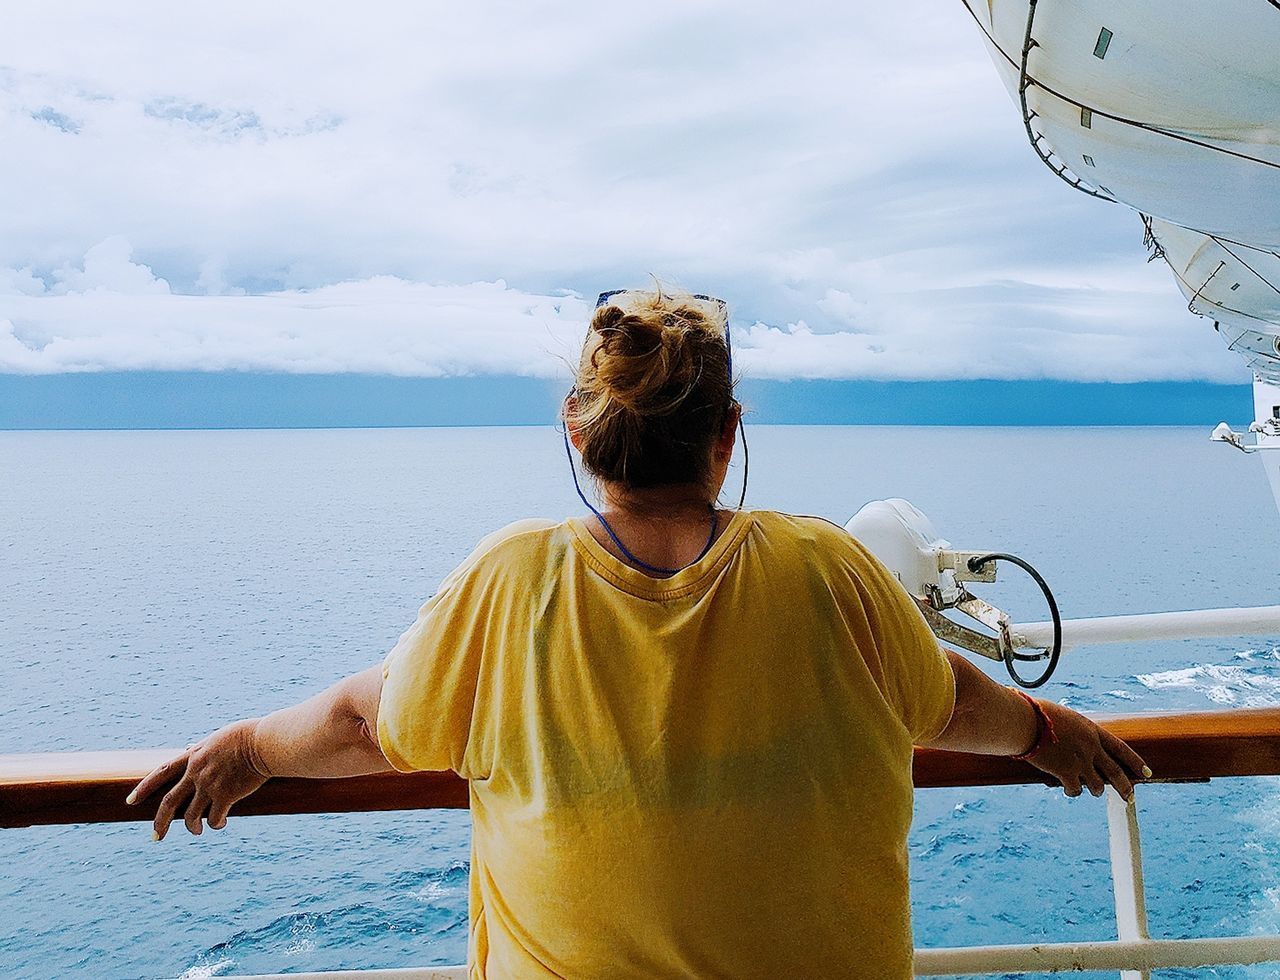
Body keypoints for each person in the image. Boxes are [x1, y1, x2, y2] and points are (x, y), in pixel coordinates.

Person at [129, 286, 1149, 979]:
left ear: (577, 431)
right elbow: (957, 700)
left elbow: (365, 721)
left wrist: (249, 745)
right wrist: (1047, 731)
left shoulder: (507, 580)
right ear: (727, 432)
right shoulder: (831, 569)